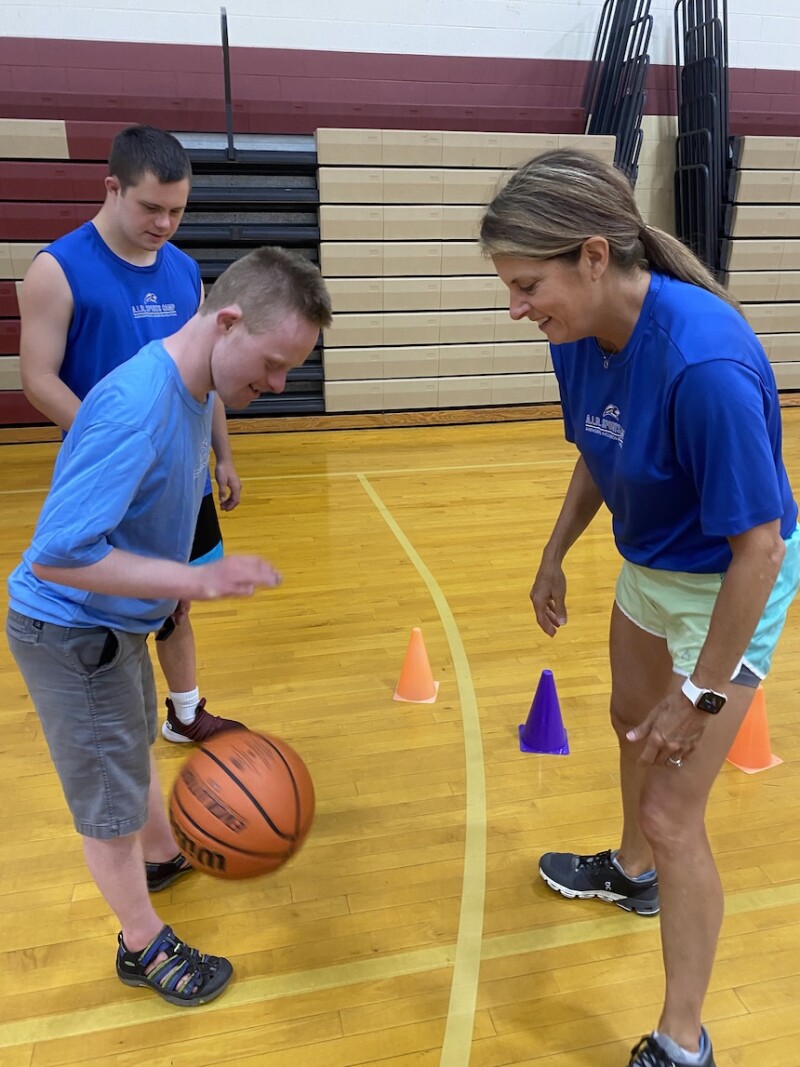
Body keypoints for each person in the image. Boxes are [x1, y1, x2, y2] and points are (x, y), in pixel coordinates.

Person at [480, 149, 800, 1067]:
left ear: (591, 255)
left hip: (728, 584)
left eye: (525, 284)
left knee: (674, 809)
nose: (516, 308)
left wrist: (703, 691)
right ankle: (631, 876)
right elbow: (598, 445)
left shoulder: (705, 363)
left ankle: (684, 1038)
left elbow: (760, 549)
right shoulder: (576, 337)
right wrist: (554, 551)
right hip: (651, 561)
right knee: (627, 720)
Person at [6, 246, 332, 1006]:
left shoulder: (191, 388)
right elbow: (58, 554)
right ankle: (142, 942)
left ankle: (160, 855)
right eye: (274, 362)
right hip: (68, 633)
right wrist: (192, 577)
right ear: (226, 321)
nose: (279, 385)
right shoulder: (137, 406)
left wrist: (166, 593)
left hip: (115, 625)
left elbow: (151, 503)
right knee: (108, 801)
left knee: (131, 749)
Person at [19, 123, 244, 750]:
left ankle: (186, 710)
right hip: (114, 482)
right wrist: (121, 448)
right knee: (112, 609)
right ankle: (121, 726)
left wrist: (222, 454)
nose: (165, 223)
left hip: (183, 480)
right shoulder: (58, 269)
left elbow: (207, 373)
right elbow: (38, 380)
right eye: (151, 207)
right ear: (112, 188)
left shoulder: (185, 272)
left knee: (176, 602)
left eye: (177, 210)